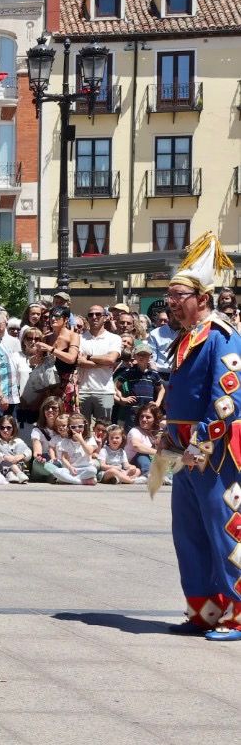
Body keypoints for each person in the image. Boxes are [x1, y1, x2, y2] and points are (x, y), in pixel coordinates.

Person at [157, 234, 241, 637]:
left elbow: (227, 398)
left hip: (216, 453)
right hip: (183, 450)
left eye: (177, 295)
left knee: (223, 528)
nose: (170, 302)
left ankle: (237, 611)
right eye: (169, 295)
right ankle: (205, 610)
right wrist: (169, 437)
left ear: (201, 298)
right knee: (188, 532)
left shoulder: (222, 335)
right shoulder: (185, 338)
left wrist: (200, 443)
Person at [76, 304, 122, 428]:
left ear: (105, 317)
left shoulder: (114, 338)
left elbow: (111, 359)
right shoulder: (79, 338)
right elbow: (79, 361)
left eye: (98, 314)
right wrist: (102, 362)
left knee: (104, 430)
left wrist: (89, 357)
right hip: (82, 391)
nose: (94, 317)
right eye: (91, 315)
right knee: (81, 429)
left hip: (105, 391)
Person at [0, 416, 32, 483]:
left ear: (13, 428)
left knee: (20, 446)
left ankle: (12, 473)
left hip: (19, 465)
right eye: (2, 428)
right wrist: (5, 457)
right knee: (3, 448)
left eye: (8, 428)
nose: (5, 430)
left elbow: (29, 452)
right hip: (2, 468)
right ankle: (17, 473)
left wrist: (20, 456)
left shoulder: (18, 440)